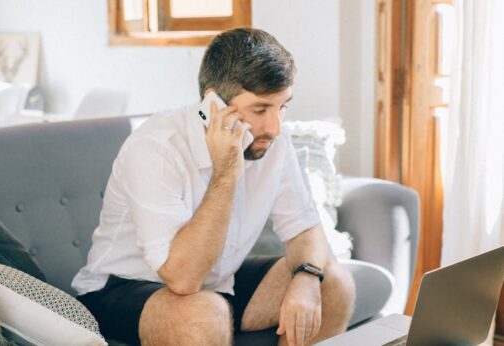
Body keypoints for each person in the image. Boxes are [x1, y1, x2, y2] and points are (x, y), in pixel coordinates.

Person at [72, 27, 355, 346]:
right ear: (213, 104)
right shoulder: (155, 148)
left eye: (283, 106)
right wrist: (228, 169)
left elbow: (304, 229)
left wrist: (306, 278)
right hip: (121, 290)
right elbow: (183, 278)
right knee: (205, 313)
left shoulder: (276, 139)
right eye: (261, 109)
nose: (275, 127)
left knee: (334, 283)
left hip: (217, 284)